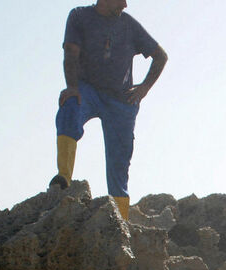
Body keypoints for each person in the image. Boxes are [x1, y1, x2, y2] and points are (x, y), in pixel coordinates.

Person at [49, 0, 168, 221]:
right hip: (88, 90)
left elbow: (161, 56)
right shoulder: (79, 16)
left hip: (121, 101)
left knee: (119, 163)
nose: (125, 4)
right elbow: (71, 52)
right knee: (70, 106)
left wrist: (144, 88)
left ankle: (120, 223)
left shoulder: (129, 25)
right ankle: (63, 178)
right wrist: (72, 87)